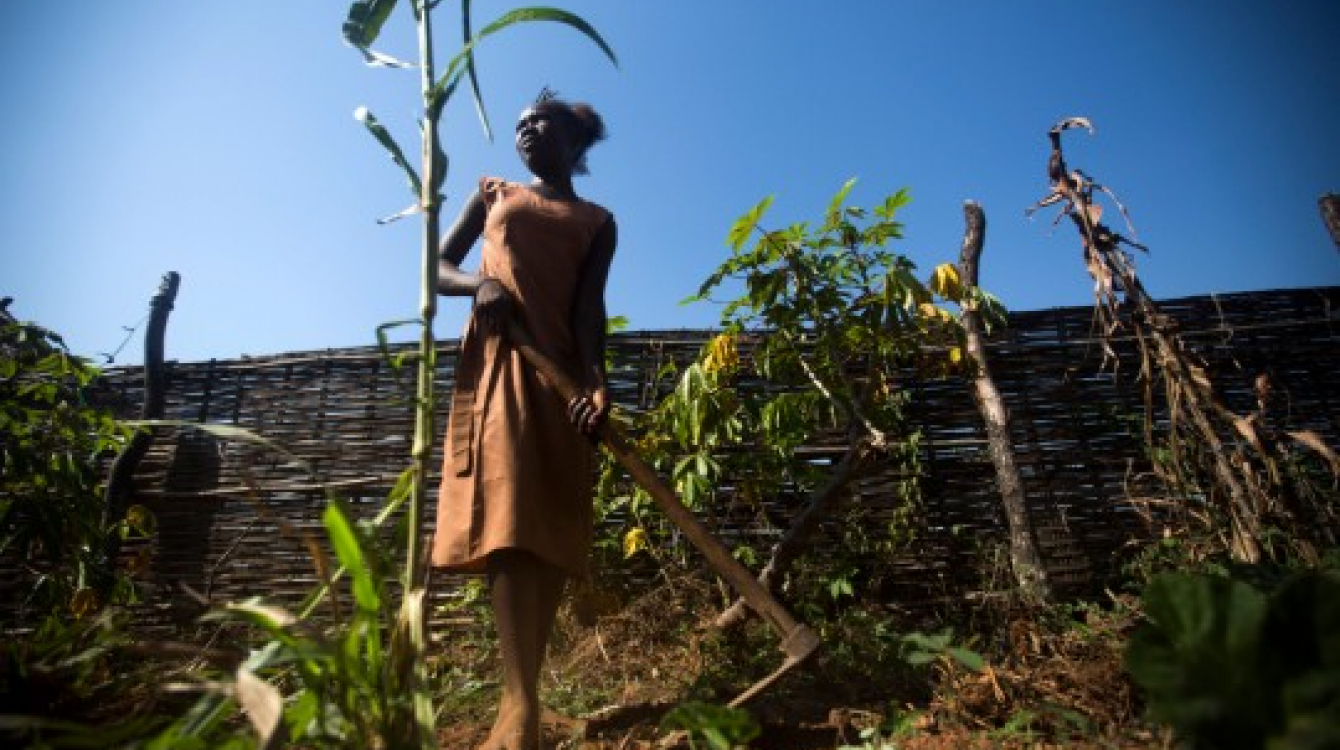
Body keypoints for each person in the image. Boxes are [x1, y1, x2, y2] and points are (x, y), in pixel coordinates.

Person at [431, 89, 616, 750]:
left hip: (560, 379)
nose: (525, 129)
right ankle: (517, 706)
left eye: (540, 120)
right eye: (518, 123)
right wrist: (477, 284)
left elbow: (589, 310)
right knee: (508, 525)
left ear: (574, 137)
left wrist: (595, 383)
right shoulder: (496, 193)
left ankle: (527, 700)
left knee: (552, 531)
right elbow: (436, 268)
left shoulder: (597, 220)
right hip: (504, 361)